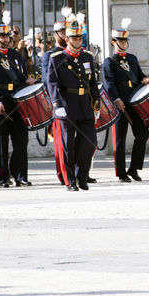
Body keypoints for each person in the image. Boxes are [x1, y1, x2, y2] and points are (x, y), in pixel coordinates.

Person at [0, 12, 35, 187]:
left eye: (7, 35)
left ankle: (20, 175)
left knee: (21, 140)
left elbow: (20, 76)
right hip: (0, 102)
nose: (6, 39)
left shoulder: (15, 55)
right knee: (1, 143)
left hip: (17, 101)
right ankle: (3, 177)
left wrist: (27, 81)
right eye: (2, 36)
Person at [46, 19, 100, 191]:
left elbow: (92, 83)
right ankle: (70, 180)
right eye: (74, 39)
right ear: (67, 39)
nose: (78, 41)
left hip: (85, 105)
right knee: (67, 144)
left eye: (79, 39)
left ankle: (82, 176)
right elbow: (51, 83)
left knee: (90, 141)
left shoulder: (87, 57)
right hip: (67, 105)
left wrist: (96, 102)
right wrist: (57, 104)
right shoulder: (57, 58)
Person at [102, 19, 149, 183]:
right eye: (120, 40)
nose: (123, 43)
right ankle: (121, 172)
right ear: (113, 42)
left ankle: (134, 168)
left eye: (125, 40)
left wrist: (144, 79)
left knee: (142, 134)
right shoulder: (109, 62)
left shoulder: (132, 58)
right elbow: (109, 84)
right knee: (120, 138)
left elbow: (139, 75)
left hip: (134, 102)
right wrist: (116, 100)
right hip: (120, 103)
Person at [42, 12, 71, 185]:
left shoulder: (76, 52)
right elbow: (48, 81)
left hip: (77, 100)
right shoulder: (50, 55)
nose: (66, 35)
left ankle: (79, 171)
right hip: (60, 101)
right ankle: (64, 174)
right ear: (56, 35)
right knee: (62, 141)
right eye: (62, 32)